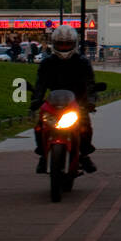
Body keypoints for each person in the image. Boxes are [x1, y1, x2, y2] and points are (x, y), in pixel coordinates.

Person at [30, 25, 97, 174]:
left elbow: (90, 83)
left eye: (67, 43)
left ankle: (84, 155)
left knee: (85, 127)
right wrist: (36, 100)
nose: (64, 47)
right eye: (61, 43)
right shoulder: (47, 62)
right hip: (54, 102)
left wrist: (91, 101)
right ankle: (43, 154)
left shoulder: (82, 62)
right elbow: (40, 83)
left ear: (74, 44)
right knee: (39, 126)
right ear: (54, 44)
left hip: (77, 103)